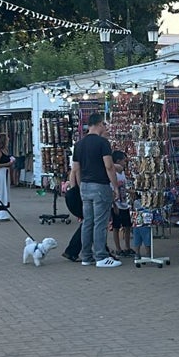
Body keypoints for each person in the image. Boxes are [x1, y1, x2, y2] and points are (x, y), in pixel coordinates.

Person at [69, 112, 121, 268]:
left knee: (88, 222)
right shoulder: (102, 143)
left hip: (85, 185)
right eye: (104, 125)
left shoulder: (79, 144)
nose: (105, 127)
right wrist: (115, 186)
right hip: (100, 185)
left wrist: (79, 186)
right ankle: (101, 256)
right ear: (99, 124)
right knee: (100, 222)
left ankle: (86, 256)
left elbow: (76, 169)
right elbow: (109, 166)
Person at [110, 151, 132, 257]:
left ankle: (127, 247)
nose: (125, 162)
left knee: (127, 226)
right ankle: (118, 248)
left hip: (124, 203)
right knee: (116, 227)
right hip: (116, 204)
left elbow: (123, 187)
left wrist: (131, 192)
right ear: (118, 161)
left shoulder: (122, 173)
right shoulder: (113, 174)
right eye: (124, 160)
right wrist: (114, 205)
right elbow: (112, 190)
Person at [131, 192, 154, 261]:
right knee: (146, 237)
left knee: (137, 237)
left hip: (137, 219)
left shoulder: (135, 202)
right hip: (145, 219)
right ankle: (148, 253)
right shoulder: (145, 201)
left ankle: (137, 253)